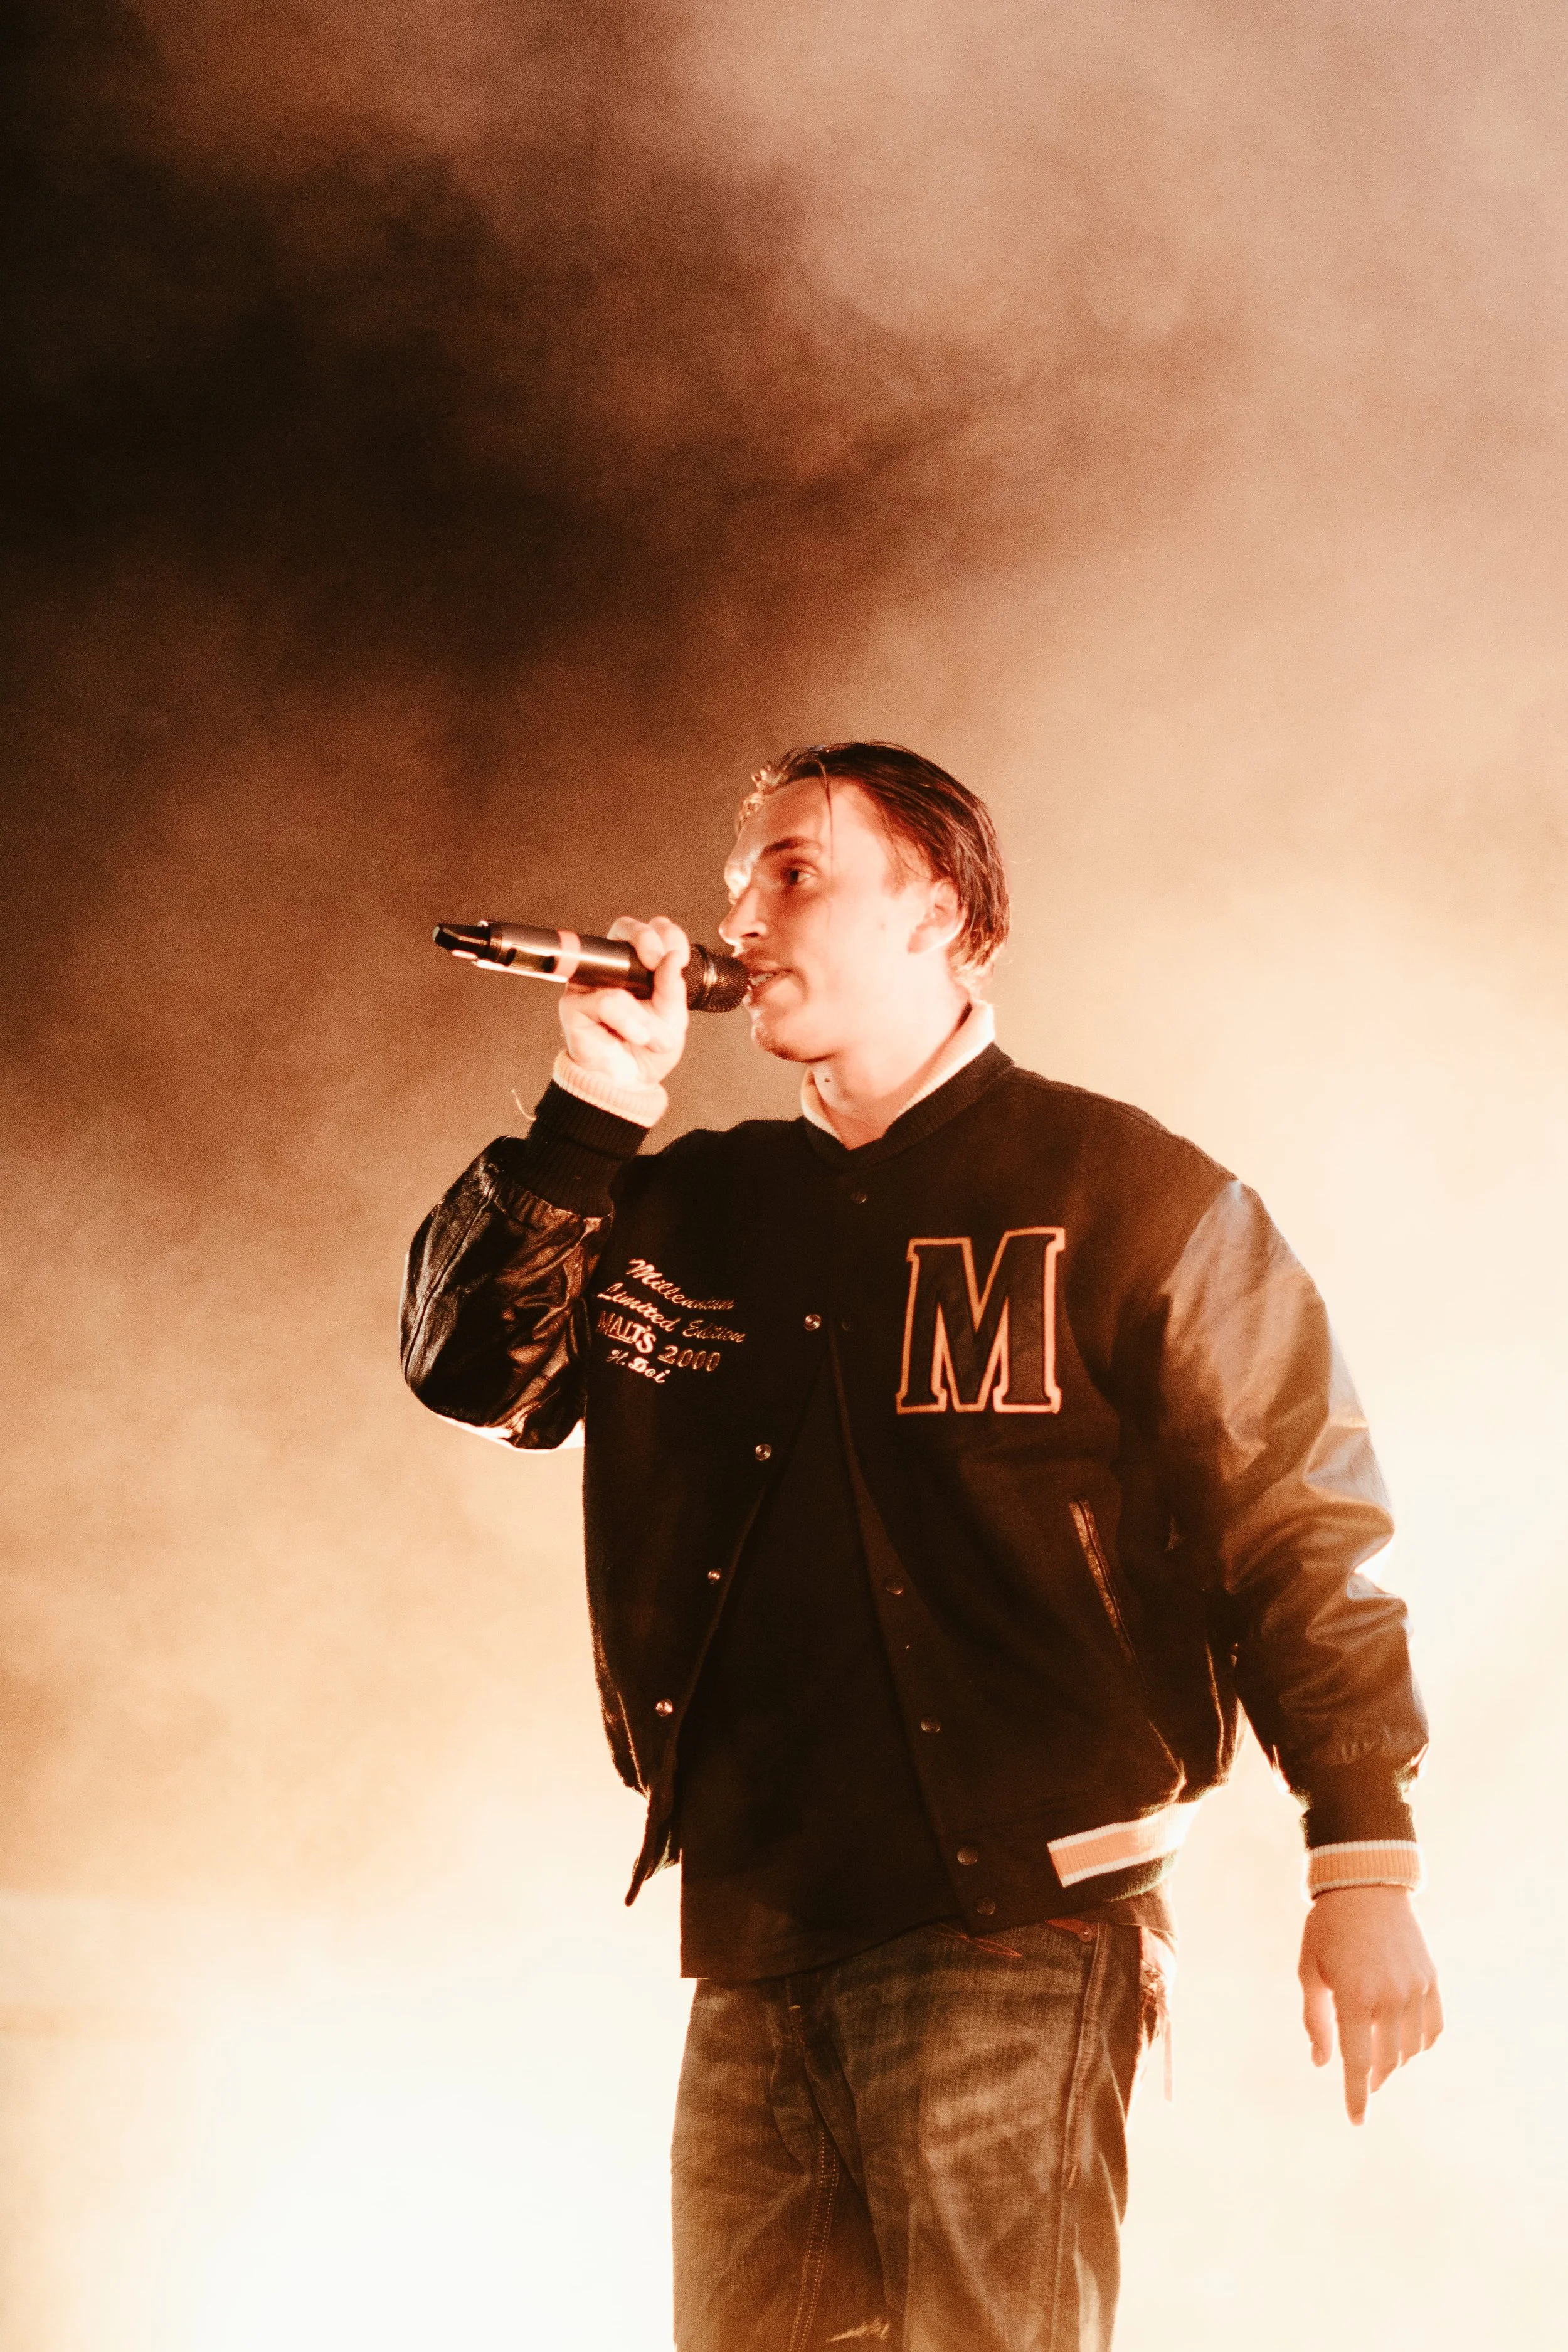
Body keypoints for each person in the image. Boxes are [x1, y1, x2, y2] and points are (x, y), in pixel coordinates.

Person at [401, 742, 1441, 2352]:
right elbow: (479, 1375)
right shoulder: (692, 1205)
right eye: (738, 875)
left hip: (1016, 1920)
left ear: (937, 911)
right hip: (754, 1931)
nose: (742, 910)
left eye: (795, 870)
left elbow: (1298, 1523)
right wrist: (592, 1109)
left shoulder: (1131, 1193)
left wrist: (1358, 1851)